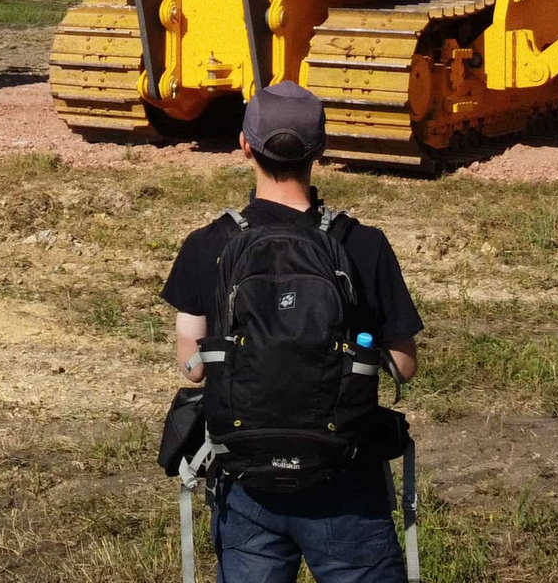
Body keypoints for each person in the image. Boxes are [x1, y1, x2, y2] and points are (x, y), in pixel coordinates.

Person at [161, 81, 422, 583]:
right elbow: (403, 368)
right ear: (320, 150)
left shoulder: (207, 244)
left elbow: (193, 369)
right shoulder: (363, 244)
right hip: (347, 481)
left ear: (244, 145)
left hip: (246, 482)